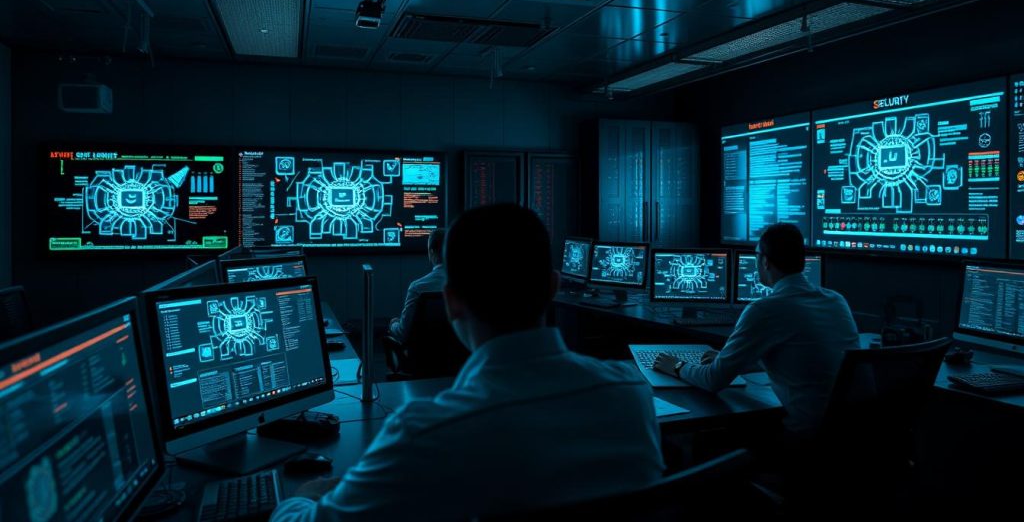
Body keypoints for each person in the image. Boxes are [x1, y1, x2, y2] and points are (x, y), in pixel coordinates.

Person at [272, 204, 664, 522]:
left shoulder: (426, 432)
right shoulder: (630, 392)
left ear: (451, 300)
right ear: (553, 286)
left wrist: (304, 497)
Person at [654, 223, 859, 436]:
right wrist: (733, 361)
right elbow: (802, 359)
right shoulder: (836, 300)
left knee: (715, 433)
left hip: (803, 436)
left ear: (765, 261)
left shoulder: (765, 309)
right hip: (847, 431)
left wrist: (675, 365)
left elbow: (712, 381)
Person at [387, 228, 446, 344]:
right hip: (461, 359)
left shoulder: (418, 288)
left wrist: (393, 324)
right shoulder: (465, 285)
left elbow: (403, 333)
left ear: (431, 252)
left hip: (422, 358)